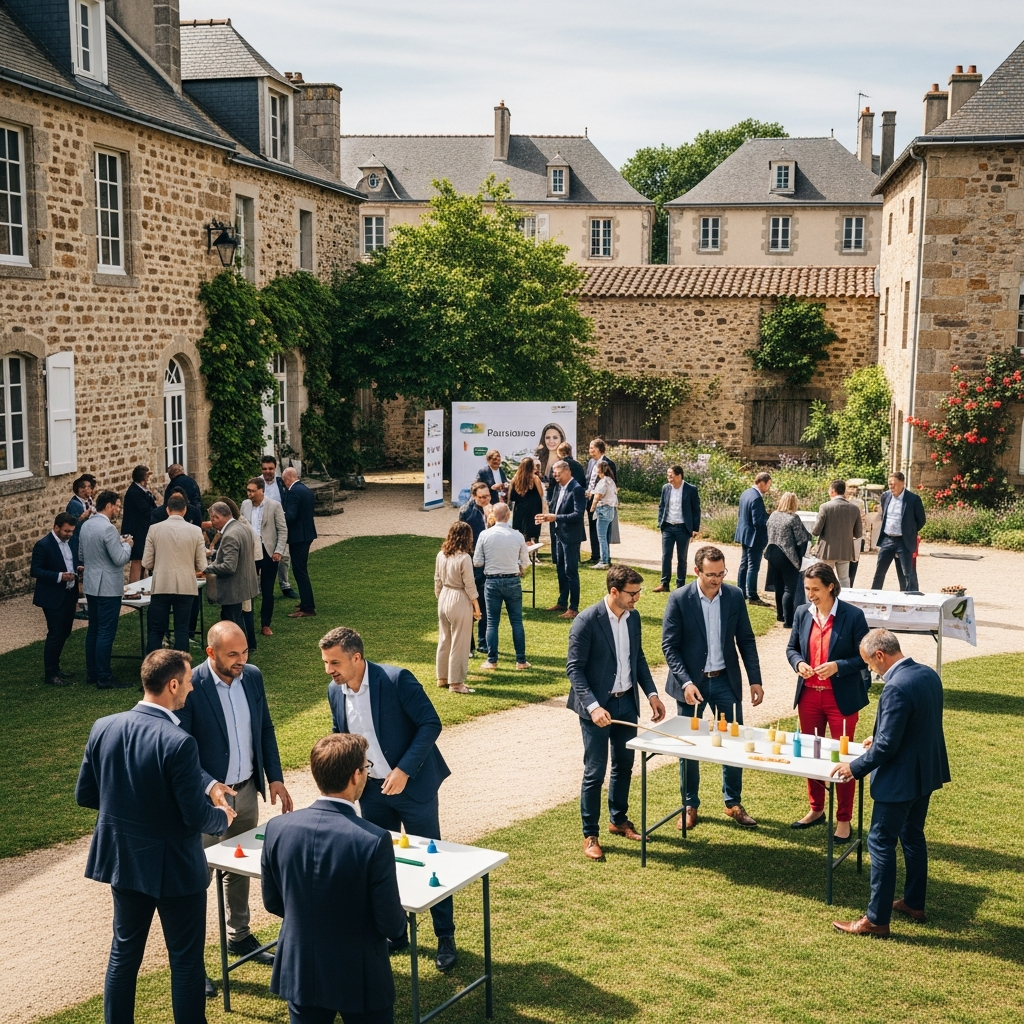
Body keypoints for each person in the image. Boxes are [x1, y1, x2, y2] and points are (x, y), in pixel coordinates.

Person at [75, 649, 234, 1022]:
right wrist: (222, 818)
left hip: (124, 861)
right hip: (175, 868)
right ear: (172, 684)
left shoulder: (104, 726)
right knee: (186, 962)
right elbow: (194, 816)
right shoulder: (178, 742)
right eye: (188, 683)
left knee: (123, 954)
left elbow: (86, 795)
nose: (192, 689)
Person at [322, 626, 458, 972]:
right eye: (326, 663)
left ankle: (445, 936)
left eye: (334, 662)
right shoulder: (334, 692)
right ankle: (396, 934)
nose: (329, 670)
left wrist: (404, 770)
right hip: (372, 794)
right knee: (382, 863)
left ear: (356, 657)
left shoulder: (397, 680)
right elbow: (342, 737)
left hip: (413, 789)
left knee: (432, 860)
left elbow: (430, 723)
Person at [178, 620, 293, 989]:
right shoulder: (191, 687)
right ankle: (192, 965)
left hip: (245, 793)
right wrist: (210, 786)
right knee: (197, 879)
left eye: (244, 652)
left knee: (240, 867)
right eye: (232, 654)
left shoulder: (253, 677)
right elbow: (179, 750)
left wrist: (273, 775)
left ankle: (239, 934)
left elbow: (265, 728)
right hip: (207, 801)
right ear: (210, 653)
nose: (241, 660)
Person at [261, 733, 407, 1024]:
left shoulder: (277, 828)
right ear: (355, 775)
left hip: (302, 968)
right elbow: (391, 923)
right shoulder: (374, 840)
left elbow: (273, 902)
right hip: (360, 972)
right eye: (366, 768)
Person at [831, 629, 951, 937]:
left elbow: (887, 748)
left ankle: (876, 920)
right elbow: (916, 725)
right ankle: (914, 902)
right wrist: (880, 736)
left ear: (880, 656)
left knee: (880, 842)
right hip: (925, 774)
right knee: (912, 835)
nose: (871, 670)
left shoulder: (895, 688)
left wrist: (854, 767)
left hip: (900, 779)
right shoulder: (927, 674)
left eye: (870, 665)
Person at [566, 565, 666, 860]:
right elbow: (574, 669)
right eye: (632, 594)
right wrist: (594, 707)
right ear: (614, 592)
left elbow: (638, 657)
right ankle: (590, 834)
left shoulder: (633, 618)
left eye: (639, 592)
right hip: (597, 707)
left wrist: (652, 694)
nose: (637, 599)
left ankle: (618, 820)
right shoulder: (586, 621)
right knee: (594, 772)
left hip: (626, 704)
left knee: (624, 766)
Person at [661, 544, 764, 829]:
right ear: (697, 571)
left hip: (725, 681)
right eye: (711, 575)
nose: (717, 579)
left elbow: (746, 639)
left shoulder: (733, 596)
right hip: (691, 685)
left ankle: (732, 803)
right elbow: (669, 646)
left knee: (733, 740)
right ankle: (689, 804)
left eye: (721, 573)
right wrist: (686, 682)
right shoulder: (679, 599)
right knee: (689, 746)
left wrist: (755, 679)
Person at [786, 562, 870, 841]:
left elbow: (865, 657)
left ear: (831, 586)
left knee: (842, 758)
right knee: (811, 753)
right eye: (807, 588)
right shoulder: (801, 613)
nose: (810, 594)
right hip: (809, 696)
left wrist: (838, 666)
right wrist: (798, 664)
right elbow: (792, 648)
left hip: (841, 700)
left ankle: (843, 819)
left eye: (815, 589)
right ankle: (816, 808)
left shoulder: (853, 616)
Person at [79, 489, 133, 689]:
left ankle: (92, 673)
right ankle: (104, 676)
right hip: (108, 586)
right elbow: (119, 559)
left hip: (92, 584)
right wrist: (127, 544)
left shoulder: (86, 525)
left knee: (93, 629)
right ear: (109, 505)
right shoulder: (108, 529)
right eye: (117, 506)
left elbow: (82, 554)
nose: (118, 509)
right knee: (105, 632)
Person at [142, 492, 207, 653]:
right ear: (185, 510)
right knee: (182, 630)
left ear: (167, 510)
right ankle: (181, 670)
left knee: (156, 630)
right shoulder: (195, 531)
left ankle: (154, 669)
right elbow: (201, 564)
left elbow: (147, 562)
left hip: (162, 585)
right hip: (186, 586)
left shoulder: (154, 529)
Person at [474, 502, 531, 670]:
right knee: (516, 621)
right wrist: (517, 563)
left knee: (492, 622)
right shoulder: (517, 536)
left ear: (493, 515)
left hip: (492, 581)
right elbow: (526, 562)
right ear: (508, 516)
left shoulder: (485, 535)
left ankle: (492, 660)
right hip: (512, 580)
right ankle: (521, 660)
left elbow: (477, 562)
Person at [31, 512, 81, 686]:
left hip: (69, 594)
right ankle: (50, 674)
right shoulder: (43, 545)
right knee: (55, 634)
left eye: (72, 531)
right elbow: (35, 570)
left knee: (64, 632)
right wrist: (60, 576)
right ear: (56, 527)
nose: (69, 534)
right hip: (52, 597)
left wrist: (77, 568)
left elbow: (71, 561)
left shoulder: (72, 542)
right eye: (66, 531)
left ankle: (56, 668)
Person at [434, 521, 482, 694]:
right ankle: (456, 683)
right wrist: (476, 607)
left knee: (444, 639)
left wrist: (441, 598)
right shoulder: (464, 558)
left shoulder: (441, 554)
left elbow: (437, 580)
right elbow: (470, 585)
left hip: (444, 596)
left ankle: (442, 677)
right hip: (459, 597)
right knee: (460, 643)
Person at [536, 460, 587, 620]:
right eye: (554, 474)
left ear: (567, 471)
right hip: (559, 534)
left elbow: (578, 515)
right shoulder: (558, 487)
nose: (555, 476)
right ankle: (562, 601)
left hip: (571, 536)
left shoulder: (577, 489)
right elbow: (555, 508)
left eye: (558, 473)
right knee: (560, 568)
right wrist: (546, 517)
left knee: (571, 571)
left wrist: (555, 517)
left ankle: (573, 607)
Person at [241, 476, 288, 637]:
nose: (250, 494)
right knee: (249, 588)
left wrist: (278, 550)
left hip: (268, 551)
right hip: (250, 551)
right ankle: (248, 621)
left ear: (262, 490)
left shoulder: (274, 506)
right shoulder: (245, 505)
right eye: (248, 491)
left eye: (253, 491)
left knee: (268, 590)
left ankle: (265, 624)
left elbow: (283, 530)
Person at [204, 501, 260, 634]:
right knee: (238, 620)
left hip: (233, 588)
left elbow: (229, 567)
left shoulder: (230, 535)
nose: (212, 523)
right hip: (244, 583)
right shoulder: (242, 527)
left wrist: (207, 569)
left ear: (216, 516)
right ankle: (245, 648)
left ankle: (240, 651)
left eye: (212, 519)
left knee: (234, 623)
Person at [871, 472, 927, 592]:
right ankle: (874, 595)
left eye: (894, 484)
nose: (891, 487)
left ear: (902, 483)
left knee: (907, 573)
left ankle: (910, 597)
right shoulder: (885, 496)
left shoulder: (913, 499)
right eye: (889, 484)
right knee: (879, 571)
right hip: (887, 539)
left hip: (903, 540)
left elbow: (921, 520)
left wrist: (909, 531)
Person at [765, 492, 812, 627]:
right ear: (794, 503)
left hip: (772, 553)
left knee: (779, 586)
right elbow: (802, 539)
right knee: (789, 589)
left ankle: (780, 614)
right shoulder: (793, 518)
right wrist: (801, 556)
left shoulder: (773, 515)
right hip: (787, 556)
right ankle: (788, 621)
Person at [654, 464, 701, 592]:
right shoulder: (666, 488)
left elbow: (696, 510)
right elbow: (662, 506)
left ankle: (680, 585)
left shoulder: (690, 489)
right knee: (666, 556)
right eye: (668, 476)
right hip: (668, 527)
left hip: (683, 528)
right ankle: (664, 584)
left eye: (671, 476)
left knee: (682, 558)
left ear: (679, 476)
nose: (669, 479)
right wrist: (661, 523)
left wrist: (695, 528)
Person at [459, 481, 492, 654]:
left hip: (489, 563)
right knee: (470, 604)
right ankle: (469, 644)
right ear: (474, 496)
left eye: (488, 496)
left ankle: (483, 642)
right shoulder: (467, 512)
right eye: (482, 497)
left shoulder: (493, 508)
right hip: (472, 563)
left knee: (485, 604)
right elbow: (464, 540)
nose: (486, 499)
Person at [810, 479, 862, 590]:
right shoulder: (854, 509)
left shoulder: (825, 507)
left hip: (827, 551)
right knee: (844, 580)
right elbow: (858, 533)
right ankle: (845, 602)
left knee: (823, 579)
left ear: (833, 491)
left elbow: (816, 531)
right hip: (845, 551)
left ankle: (825, 603)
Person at [260, 455, 297, 599]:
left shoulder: (282, 483)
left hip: (280, 522)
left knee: (284, 556)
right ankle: (260, 586)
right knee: (262, 555)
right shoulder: (257, 483)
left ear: (275, 469)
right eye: (264, 469)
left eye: (270, 469)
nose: (267, 471)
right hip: (263, 524)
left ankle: (285, 585)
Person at [282, 467, 317, 617]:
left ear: (288, 478)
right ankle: (305, 602)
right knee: (300, 570)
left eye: (284, 481)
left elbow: (290, 516)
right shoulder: (306, 490)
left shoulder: (293, 492)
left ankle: (308, 607)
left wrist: (278, 517)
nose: (284, 484)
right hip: (306, 534)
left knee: (300, 571)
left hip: (299, 537)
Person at [735, 471, 771, 605]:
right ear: (762, 483)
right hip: (754, 537)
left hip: (744, 534)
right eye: (768, 485)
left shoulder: (746, 493)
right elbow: (758, 521)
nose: (768, 488)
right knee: (753, 566)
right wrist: (770, 519)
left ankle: (741, 591)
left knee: (744, 564)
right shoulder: (756, 497)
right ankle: (753, 596)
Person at [122, 465, 157, 584]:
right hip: (136, 531)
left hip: (143, 530)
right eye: (147, 476)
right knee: (137, 559)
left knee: (143, 560)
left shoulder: (143, 491)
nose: (148, 480)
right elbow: (147, 510)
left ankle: (141, 584)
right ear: (143, 477)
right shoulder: (135, 492)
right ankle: (134, 587)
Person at [584, 439, 616, 564]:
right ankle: (595, 555)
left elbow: (613, 483)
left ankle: (605, 557)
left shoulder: (608, 463)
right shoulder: (591, 462)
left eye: (592, 447)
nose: (590, 450)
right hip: (590, 498)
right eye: (590, 447)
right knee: (593, 527)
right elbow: (589, 480)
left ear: (600, 449)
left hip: (603, 501)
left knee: (603, 530)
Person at [507, 456, 545, 544]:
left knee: (520, 533)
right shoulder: (535, 478)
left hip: (519, 509)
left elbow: (511, 497)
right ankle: (534, 554)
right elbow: (541, 494)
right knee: (534, 534)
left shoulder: (514, 479)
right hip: (533, 509)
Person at [589, 459, 619, 570]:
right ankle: (606, 558)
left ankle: (604, 561)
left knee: (601, 537)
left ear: (600, 470)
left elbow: (598, 496)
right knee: (605, 537)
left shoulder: (603, 481)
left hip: (603, 509)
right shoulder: (610, 480)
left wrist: (592, 507)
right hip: (610, 510)